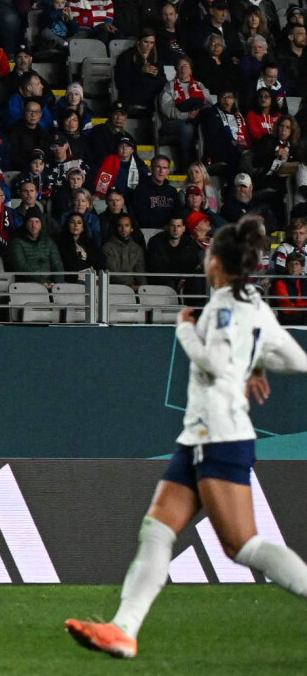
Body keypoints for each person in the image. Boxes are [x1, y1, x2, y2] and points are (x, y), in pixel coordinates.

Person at [67, 219, 307, 658]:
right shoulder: (253, 302)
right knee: (156, 529)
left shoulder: (220, 307)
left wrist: (182, 328)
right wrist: (253, 362)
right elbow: (296, 358)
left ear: (215, 262)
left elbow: (214, 361)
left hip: (220, 435)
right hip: (200, 436)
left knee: (243, 545)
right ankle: (123, 629)